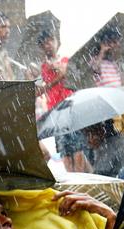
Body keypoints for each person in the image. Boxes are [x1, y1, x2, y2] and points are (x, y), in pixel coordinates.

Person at [34, 29, 89, 173]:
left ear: (57, 42)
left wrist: (51, 79)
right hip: (56, 112)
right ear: (41, 47)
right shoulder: (44, 67)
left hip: (71, 108)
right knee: (65, 150)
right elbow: (42, 86)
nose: (49, 45)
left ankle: (82, 181)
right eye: (44, 43)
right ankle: (73, 181)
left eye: (51, 41)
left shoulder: (65, 60)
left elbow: (64, 72)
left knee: (77, 148)